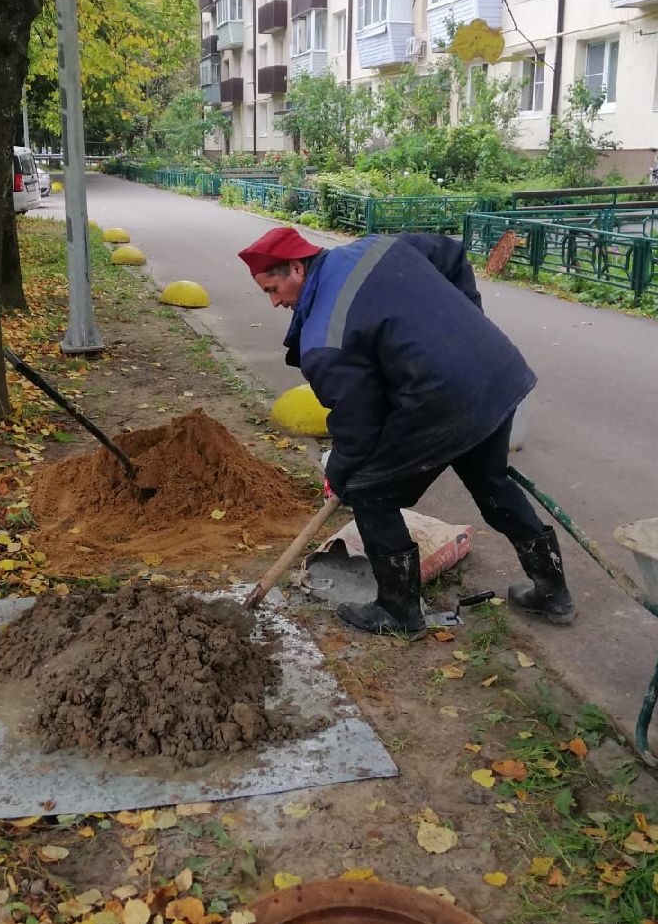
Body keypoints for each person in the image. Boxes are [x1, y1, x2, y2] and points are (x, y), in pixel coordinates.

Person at [240, 225, 575, 634]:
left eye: (273, 289)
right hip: (494, 375)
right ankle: (553, 594)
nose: (275, 302)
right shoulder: (377, 247)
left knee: (369, 492)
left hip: (441, 403)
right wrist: (468, 324)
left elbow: (358, 425)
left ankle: (399, 611)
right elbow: (451, 253)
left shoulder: (324, 338)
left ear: (296, 267)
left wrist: (341, 475)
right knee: (491, 482)